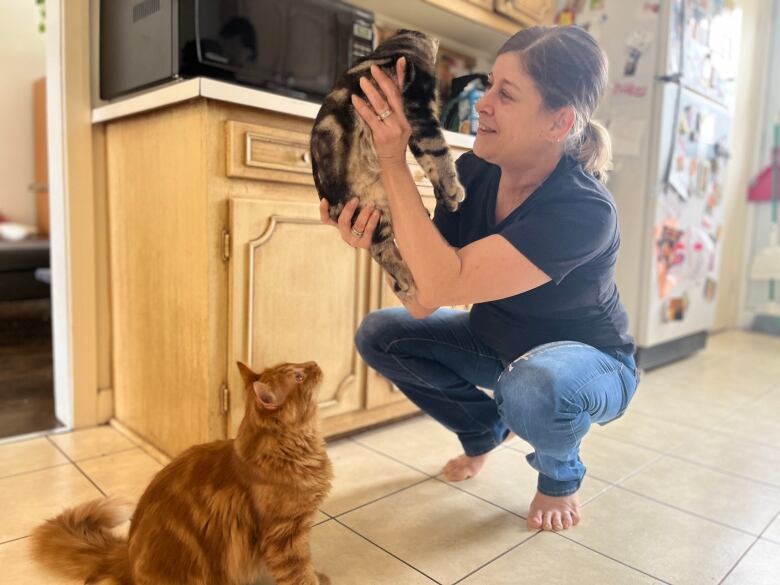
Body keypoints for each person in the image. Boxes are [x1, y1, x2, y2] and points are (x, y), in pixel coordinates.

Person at [319, 26, 639, 533]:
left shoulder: (584, 210)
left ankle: (561, 476)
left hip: (592, 363)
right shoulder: (472, 171)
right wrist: (380, 245)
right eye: (490, 85)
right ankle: (483, 429)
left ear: (559, 122)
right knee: (383, 333)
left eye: (505, 94)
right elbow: (425, 300)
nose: (482, 103)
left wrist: (390, 160)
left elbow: (448, 284)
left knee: (532, 386)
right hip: (498, 346)